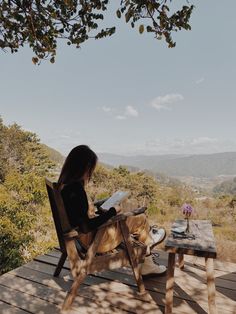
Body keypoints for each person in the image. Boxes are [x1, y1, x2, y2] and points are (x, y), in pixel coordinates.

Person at [58, 145, 167, 276]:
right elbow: (86, 226)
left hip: (78, 241)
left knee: (134, 219)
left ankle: (148, 245)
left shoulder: (64, 185)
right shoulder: (76, 190)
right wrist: (112, 212)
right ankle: (148, 254)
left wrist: (101, 206)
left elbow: (79, 216)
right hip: (94, 242)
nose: (90, 172)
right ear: (84, 167)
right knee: (141, 219)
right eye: (90, 168)